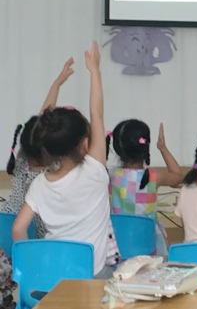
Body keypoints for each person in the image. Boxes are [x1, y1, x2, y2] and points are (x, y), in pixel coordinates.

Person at [12, 42, 118, 279]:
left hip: (53, 278)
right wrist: (95, 71)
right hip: (92, 278)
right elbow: (97, 114)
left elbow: (18, 228)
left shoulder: (39, 184)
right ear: (85, 144)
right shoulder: (95, 170)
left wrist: (30, 268)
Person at [4, 57, 75, 238]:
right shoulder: (51, 175)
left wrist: (57, 84)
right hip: (36, 239)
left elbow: (40, 127)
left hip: (6, 228)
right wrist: (57, 84)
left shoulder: (21, 159)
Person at [107, 121, 183, 256]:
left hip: (119, 246)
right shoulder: (154, 176)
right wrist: (163, 148)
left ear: (117, 147)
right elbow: (178, 177)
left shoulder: (110, 175)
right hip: (150, 248)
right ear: (145, 146)